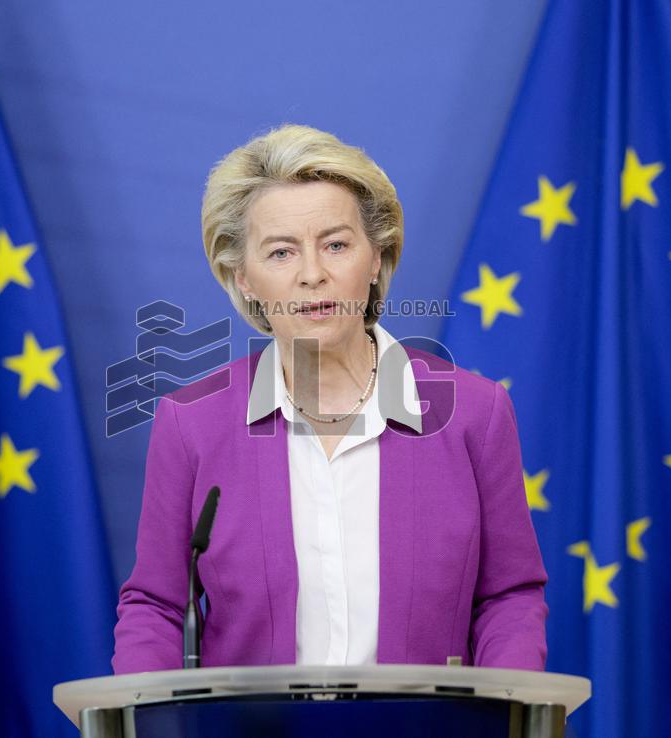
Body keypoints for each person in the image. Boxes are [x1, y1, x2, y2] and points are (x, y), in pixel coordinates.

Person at [112, 124, 548, 674]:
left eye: (336, 245)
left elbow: (509, 596)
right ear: (243, 277)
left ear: (375, 259)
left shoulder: (475, 415)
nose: (312, 275)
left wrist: (510, 710)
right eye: (281, 253)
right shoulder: (191, 425)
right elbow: (155, 606)